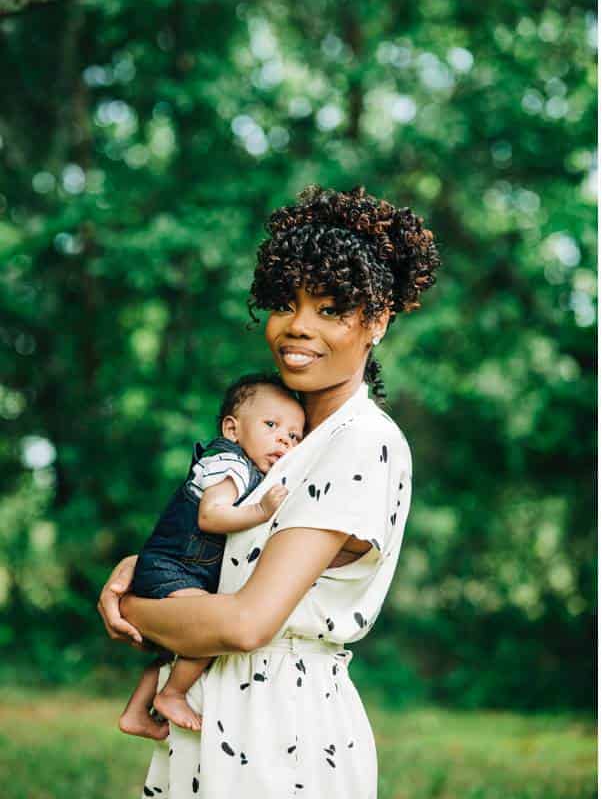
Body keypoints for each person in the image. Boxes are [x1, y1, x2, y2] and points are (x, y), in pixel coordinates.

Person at [97, 185, 440, 798]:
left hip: (282, 732)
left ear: (377, 323)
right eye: (286, 303)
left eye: (331, 309)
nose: (298, 327)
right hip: (216, 710)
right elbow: (238, 566)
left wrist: (137, 606)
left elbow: (247, 622)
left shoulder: (361, 442)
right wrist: (146, 567)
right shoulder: (286, 443)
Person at [117, 374, 303, 739]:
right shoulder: (228, 464)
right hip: (172, 568)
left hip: (184, 571)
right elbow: (210, 516)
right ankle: (172, 694)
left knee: (179, 644)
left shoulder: (248, 468)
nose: (284, 438)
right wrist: (262, 511)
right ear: (232, 429)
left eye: (295, 436)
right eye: (271, 425)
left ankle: (136, 712)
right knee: (212, 628)